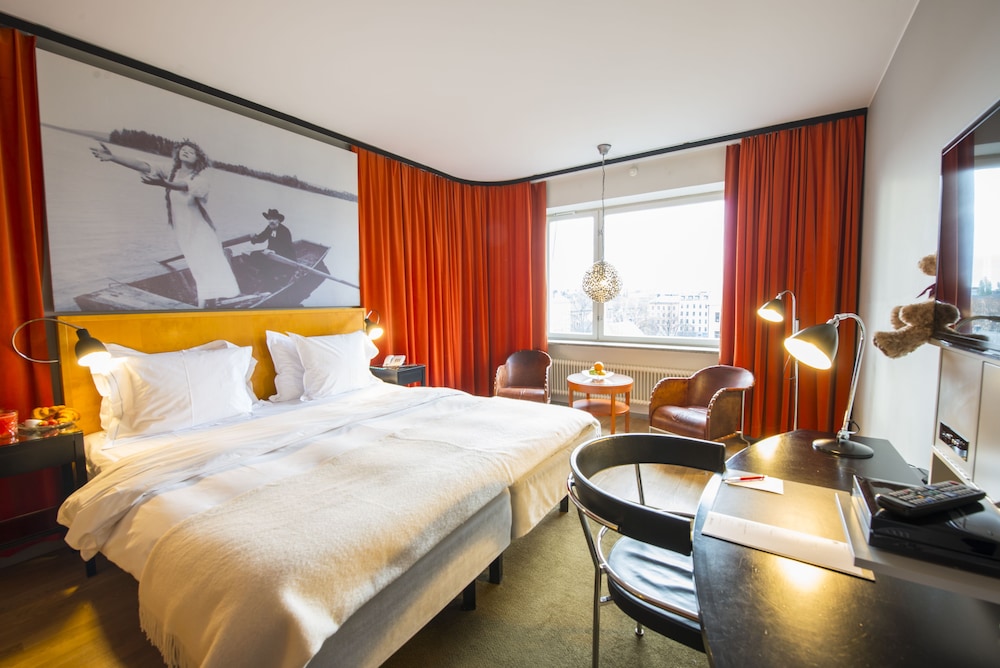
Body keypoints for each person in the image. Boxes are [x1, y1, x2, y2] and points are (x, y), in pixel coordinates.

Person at [90, 140, 241, 308]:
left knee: (205, 269)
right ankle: (208, 305)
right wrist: (113, 157)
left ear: (198, 159)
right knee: (199, 270)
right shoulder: (171, 171)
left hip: (201, 233)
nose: (186, 152)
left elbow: (184, 186)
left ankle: (205, 307)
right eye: (183, 149)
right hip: (184, 232)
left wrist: (164, 184)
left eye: (191, 152)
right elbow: (142, 165)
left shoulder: (201, 180)